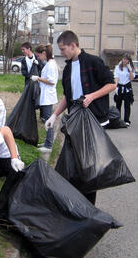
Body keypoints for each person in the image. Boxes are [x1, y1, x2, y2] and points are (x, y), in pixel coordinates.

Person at [45, 30, 116, 204]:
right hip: (77, 121)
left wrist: (92, 96)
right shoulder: (68, 69)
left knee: (90, 165)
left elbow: (112, 84)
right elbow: (68, 98)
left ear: (73, 45)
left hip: (95, 121)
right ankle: (76, 201)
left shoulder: (93, 62)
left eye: (63, 49)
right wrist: (54, 115)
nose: (61, 53)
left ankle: (88, 205)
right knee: (76, 163)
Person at [30, 45, 58, 153]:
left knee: (48, 120)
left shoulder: (50, 65)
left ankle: (48, 145)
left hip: (48, 96)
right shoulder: (49, 64)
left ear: (44, 54)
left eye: (38, 56)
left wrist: (38, 78)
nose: (38, 58)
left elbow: (51, 81)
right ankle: (47, 142)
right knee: (47, 119)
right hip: (46, 95)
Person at [114, 53, 135, 126]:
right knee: (118, 104)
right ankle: (118, 119)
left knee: (127, 105)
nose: (125, 60)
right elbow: (116, 77)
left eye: (126, 59)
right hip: (119, 87)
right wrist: (115, 87)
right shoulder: (117, 67)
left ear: (129, 61)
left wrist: (130, 70)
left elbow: (131, 78)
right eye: (124, 59)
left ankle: (126, 120)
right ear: (122, 59)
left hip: (127, 88)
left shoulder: (130, 68)